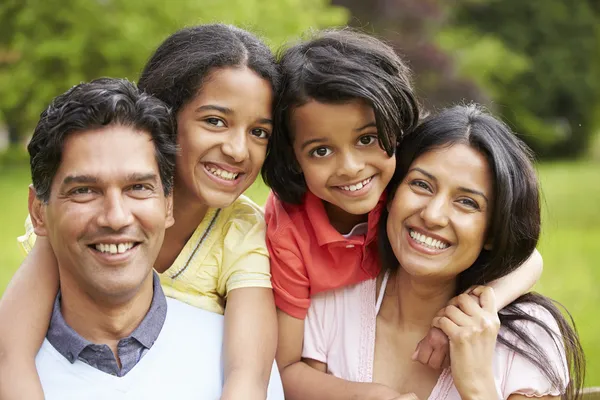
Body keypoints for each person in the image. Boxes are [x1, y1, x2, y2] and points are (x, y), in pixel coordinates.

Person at [0, 24, 281, 399]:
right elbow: (10, 353)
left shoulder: (241, 232)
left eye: (259, 132)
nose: (237, 150)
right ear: (164, 118)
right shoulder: (78, 219)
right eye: (215, 121)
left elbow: (248, 376)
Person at [261, 29, 545, 398]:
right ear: (293, 158)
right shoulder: (295, 237)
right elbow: (288, 370)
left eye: (367, 139)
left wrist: (471, 309)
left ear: (395, 132)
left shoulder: (393, 187)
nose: (351, 168)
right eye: (320, 151)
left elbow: (528, 257)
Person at [297, 104, 585, 399]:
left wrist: (476, 385)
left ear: (493, 232)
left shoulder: (523, 338)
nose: (433, 215)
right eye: (421, 185)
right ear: (392, 194)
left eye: (467, 202)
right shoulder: (333, 300)